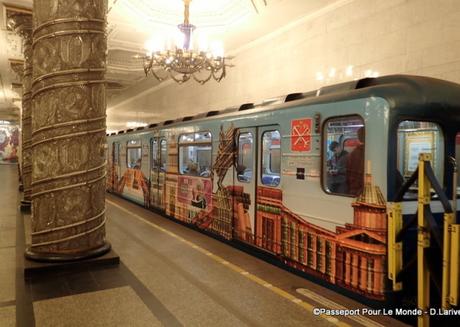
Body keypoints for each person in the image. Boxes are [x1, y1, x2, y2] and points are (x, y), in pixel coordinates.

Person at [346, 127, 365, 195]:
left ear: (359, 138)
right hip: (365, 189)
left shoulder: (352, 154)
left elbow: (348, 173)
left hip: (354, 188)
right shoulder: (374, 152)